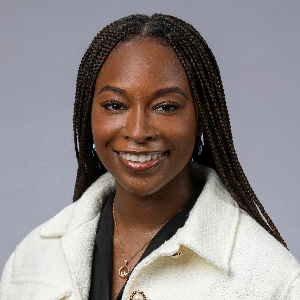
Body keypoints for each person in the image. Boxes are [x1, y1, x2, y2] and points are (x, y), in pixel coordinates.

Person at [1, 13, 299, 300]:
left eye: (166, 107)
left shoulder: (273, 278)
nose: (138, 131)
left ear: (202, 119)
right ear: (87, 116)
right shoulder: (31, 260)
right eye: (115, 105)